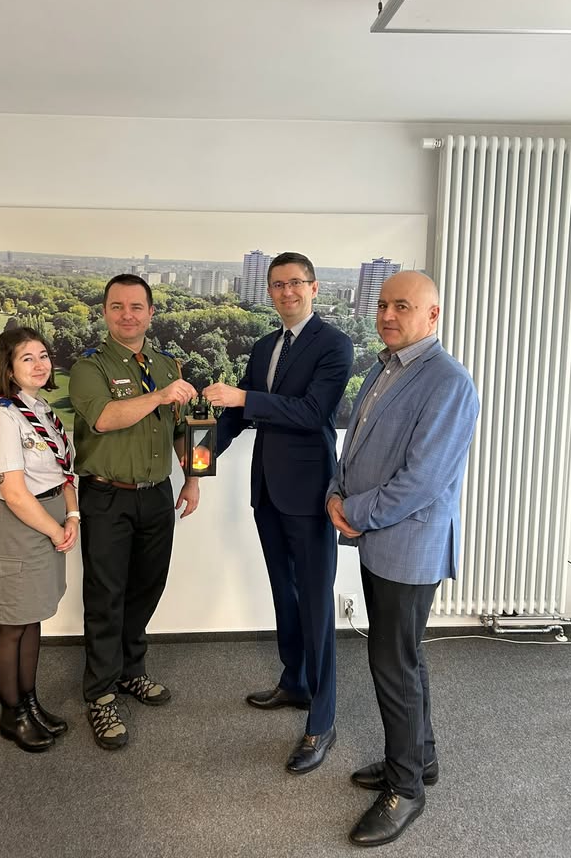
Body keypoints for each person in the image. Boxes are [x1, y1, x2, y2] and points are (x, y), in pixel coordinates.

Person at [326, 271, 479, 847]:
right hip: (379, 539)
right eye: (384, 305)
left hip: (409, 545)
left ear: (432, 316)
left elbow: (421, 481)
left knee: (393, 665)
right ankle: (421, 758)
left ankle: (406, 788)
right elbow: (356, 444)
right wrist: (337, 492)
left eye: (403, 306)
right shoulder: (385, 365)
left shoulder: (448, 382)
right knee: (403, 657)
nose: (388, 315)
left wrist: (353, 512)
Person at [203, 252, 353, 774]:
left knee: (315, 603)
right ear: (268, 292)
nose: (286, 292)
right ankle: (295, 682)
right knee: (284, 594)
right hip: (267, 490)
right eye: (277, 285)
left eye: (295, 283)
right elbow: (239, 414)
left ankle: (322, 720)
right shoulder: (265, 345)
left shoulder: (334, 344)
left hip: (309, 494)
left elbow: (312, 413)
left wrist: (243, 397)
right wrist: (200, 457)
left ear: (314, 288)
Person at [69, 274, 199, 750]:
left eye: (136, 306)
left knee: (147, 586)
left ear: (150, 312)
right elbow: (105, 418)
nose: (128, 315)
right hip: (107, 496)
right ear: (105, 312)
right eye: (118, 306)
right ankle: (101, 694)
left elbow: (185, 429)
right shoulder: (90, 367)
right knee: (107, 595)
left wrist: (194, 479)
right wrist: (161, 395)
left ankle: (130, 671)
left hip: (156, 495)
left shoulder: (167, 365)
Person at [0, 326, 79, 753]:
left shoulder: (42, 410)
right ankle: (12, 714)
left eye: (43, 355)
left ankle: (30, 703)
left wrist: (71, 514)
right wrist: (56, 530)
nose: (39, 365)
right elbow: (16, 493)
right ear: (9, 368)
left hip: (49, 517)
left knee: (32, 615)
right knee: (11, 624)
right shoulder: (1, 416)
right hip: (17, 526)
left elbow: (64, 470)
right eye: (27, 358)